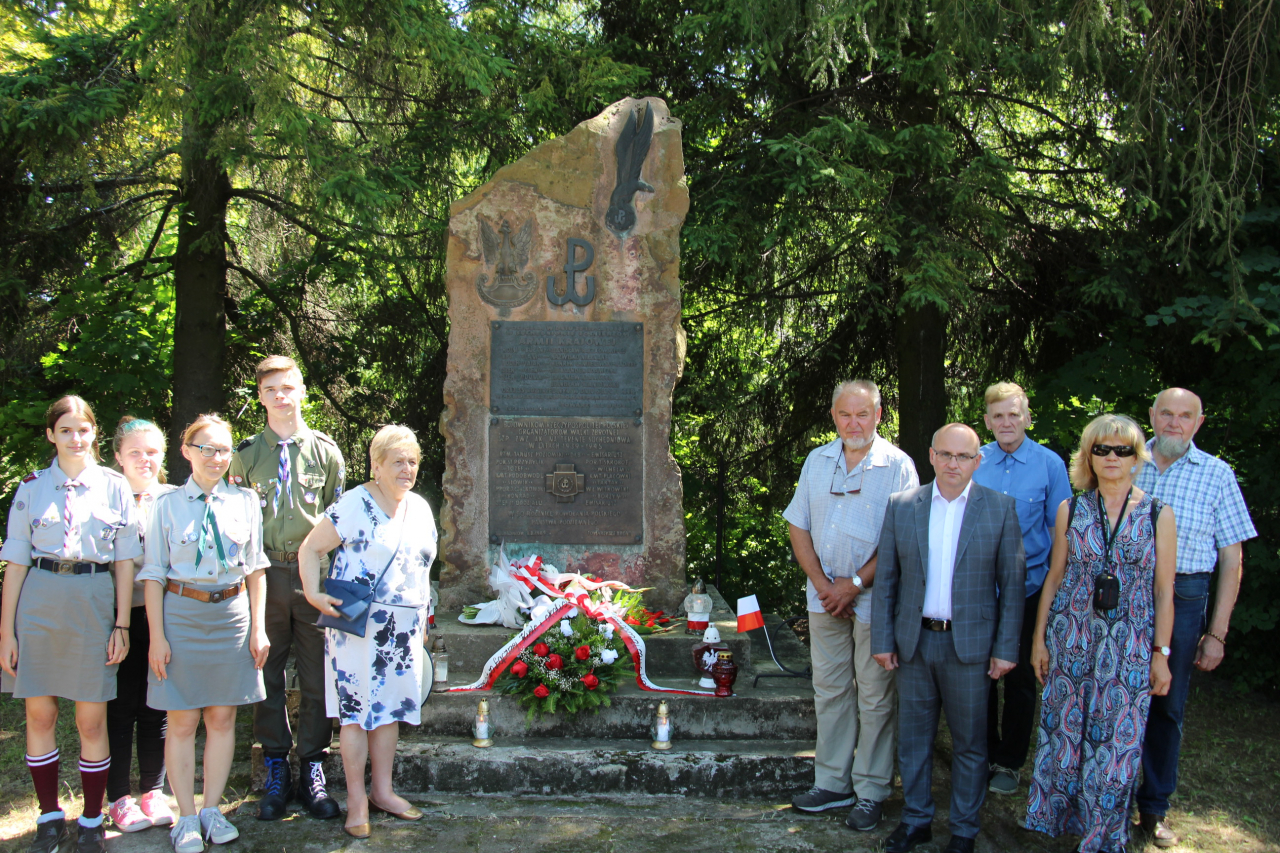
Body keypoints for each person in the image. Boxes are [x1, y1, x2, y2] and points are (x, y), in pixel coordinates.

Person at [1025, 414, 1175, 853]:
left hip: (1129, 644)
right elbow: (1054, 578)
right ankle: (1059, 820)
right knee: (1065, 736)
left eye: (1123, 449)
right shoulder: (1070, 509)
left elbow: (1165, 590)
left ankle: (1104, 835)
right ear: (1089, 456)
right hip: (1071, 638)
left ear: (1137, 457)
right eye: (1102, 449)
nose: (1112, 457)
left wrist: (1161, 652)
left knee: (1117, 743)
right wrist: (1039, 641)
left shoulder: (1157, 514)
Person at [872, 423, 1025, 853]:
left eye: (964, 456)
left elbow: (1012, 587)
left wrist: (1005, 650)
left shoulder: (999, 508)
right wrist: (883, 639)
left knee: (971, 745)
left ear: (978, 461)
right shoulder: (903, 506)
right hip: (915, 644)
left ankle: (963, 830)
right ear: (932, 456)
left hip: (970, 649)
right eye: (946, 454)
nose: (953, 463)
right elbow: (887, 580)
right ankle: (917, 820)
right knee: (913, 741)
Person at [1, 396, 141, 853]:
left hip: (93, 602)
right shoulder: (31, 488)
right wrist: (6, 632)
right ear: (51, 435)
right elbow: (16, 564)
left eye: (82, 430)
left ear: (94, 433)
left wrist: (121, 624)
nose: (75, 438)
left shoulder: (115, 486)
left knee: (90, 720)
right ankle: (48, 818)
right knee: (39, 714)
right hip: (39, 602)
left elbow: (124, 562)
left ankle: (92, 820)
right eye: (65, 430)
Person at [783, 380, 918, 830]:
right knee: (831, 691)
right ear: (834, 416)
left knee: (876, 696)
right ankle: (833, 783)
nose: (853, 423)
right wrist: (823, 584)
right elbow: (797, 526)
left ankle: (872, 789)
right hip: (823, 599)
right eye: (845, 415)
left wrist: (855, 583)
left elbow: (903, 539)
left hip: (875, 600)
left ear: (878, 415)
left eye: (863, 414)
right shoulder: (817, 460)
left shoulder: (898, 466)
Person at [139, 413, 270, 853]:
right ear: (187, 452)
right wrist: (157, 637)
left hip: (231, 617)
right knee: (181, 719)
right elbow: (154, 575)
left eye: (224, 449)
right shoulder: (166, 505)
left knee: (222, 718)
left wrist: (259, 628)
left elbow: (255, 571)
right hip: (182, 616)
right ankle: (186, 817)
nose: (216, 457)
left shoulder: (246, 502)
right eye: (206, 448)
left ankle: (212, 810)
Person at [298, 425, 437, 839]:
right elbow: (310, 548)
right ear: (376, 465)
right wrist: (313, 594)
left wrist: (424, 619)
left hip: (402, 629)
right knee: (356, 715)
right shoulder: (354, 504)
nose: (406, 469)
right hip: (356, 624)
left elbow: (423, 568)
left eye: (412, 462)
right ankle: (357, 799)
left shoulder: (422, 508)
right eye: (397, 461)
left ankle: (383, 791)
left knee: (390, 711)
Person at [1133, 388, 1257, 847]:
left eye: (1185, 416)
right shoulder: (1125, 459)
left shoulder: (1217, 475)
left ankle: (1153, 807)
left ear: (1199, 423)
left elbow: (1231, 555)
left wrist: (1217, 633)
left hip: (1185, 598)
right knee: (1116, 696)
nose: (1174, 423)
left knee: (1166, 703)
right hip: (1124, 596)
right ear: (1152, 416)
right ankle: (1110, 796)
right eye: (1166, 413)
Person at [227, 355, 345, 821]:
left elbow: (337, 524)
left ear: (301, 392)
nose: (281, 395)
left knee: (317, 676)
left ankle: (312, 766)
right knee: (266, 672)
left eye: (289, 387)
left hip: (313, 574)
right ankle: (275, 766)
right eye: (272, 388)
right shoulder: (245, 455)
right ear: (261, 395)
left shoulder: (326, 453)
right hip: (264, 575)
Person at [971, 383, 1071, 795]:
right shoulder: (975, 461)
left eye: (1014, 414)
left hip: (1029, 591)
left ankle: (1009, 763)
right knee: (978, 679)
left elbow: (1059, 535)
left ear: (1027, 417)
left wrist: (1054, 589)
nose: (1006, 422)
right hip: (978, 591)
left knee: (1021, 681)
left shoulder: (1049, 465)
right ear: (988, 421)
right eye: (998, 415)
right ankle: (981, 756)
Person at [107, 417, 178, 832]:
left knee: (157, 705)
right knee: (119, 708)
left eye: (152, 452)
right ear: (118, 456)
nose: (144, 459)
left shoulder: (172, 498)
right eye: (135, 452)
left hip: (164, 618)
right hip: (116, 618)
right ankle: (118, 797)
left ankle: (153, 791)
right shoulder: (103, 498)